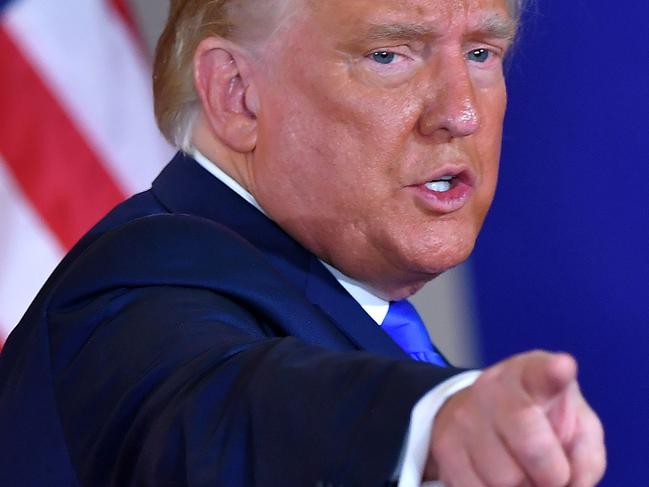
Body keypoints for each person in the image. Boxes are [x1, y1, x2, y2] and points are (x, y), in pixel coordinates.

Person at [0, 0, 606, 485]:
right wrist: (429, 423)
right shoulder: (140, 284)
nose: (460, 112)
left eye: (480, 51)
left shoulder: (349, 313)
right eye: (389, 54)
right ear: (237, 93)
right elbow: (229, 407)